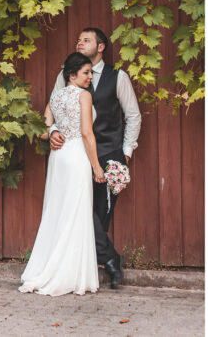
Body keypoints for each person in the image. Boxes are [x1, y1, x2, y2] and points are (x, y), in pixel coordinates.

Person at [48, 27, 141, 289]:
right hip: (75, 153)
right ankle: (111, 261)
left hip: (109, 154)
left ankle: (89, 264)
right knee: (78, 210)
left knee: (100, 214)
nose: (80, 41)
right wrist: (52, 130)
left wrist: (126, 152)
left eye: (86, 39)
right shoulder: (65, 75)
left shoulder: (117, 77)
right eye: (78, 39)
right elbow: (54, 107)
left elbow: (133, 116)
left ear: (101, 47)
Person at [19, 52, 103, 296]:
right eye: (86, 73)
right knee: (75, 212)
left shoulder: (56, 96)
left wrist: (54, 130)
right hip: (77, 155)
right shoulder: (84, 96)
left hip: (59, 157)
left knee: (57, 211)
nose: (90, 77)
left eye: (90, 73)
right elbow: (87, 133)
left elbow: (43, 129)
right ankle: (70, 275)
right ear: (72, 74)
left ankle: (49, 268)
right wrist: (97, 166)